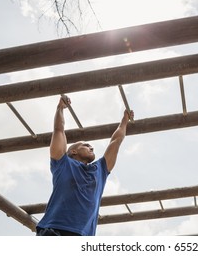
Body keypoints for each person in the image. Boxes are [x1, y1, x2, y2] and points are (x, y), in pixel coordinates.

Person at [36, 95, 134, 236]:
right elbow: (59, 130)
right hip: (55, 230)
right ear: (73, 151)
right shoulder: (62, 164)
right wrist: (60, 108)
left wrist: (125, 120)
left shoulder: (100, 170)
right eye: (86, 145)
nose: (91, 147)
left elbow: (116, 141)